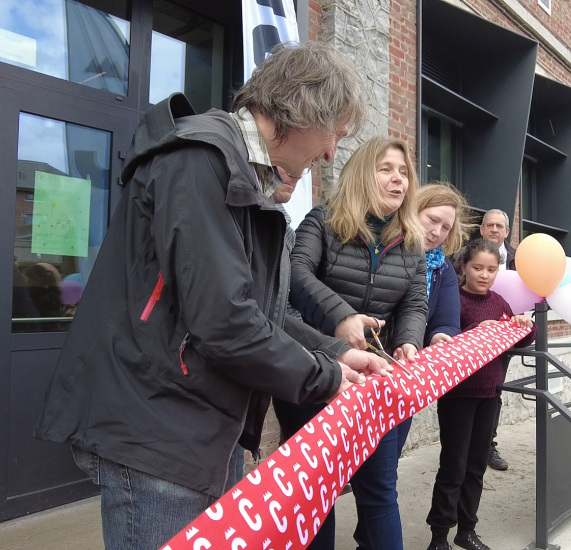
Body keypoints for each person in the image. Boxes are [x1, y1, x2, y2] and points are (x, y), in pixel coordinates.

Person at [35, 42, 390, 550]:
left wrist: (336, 351)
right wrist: (327, 377)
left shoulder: (241, 177)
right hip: (158, 432)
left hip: (199, 426)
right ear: (304, 108)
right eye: (335, 133)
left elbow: (258, 308)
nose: (332, 152)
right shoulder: (201, 161)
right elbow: (226, 320)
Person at [282, 136, 428, 550]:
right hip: (313, 373)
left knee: (379, 491)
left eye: (403, 173)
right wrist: (340, 317)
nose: (397, 180)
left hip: (374, 383)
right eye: (386, 169)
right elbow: (295, 274)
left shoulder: (412, 241)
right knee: (316, 495)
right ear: (364, 173)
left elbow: (416, 304)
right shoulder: (323, 220)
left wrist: (410, 343)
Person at [426, 239, 535, 550]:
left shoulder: (499, 301)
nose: (485, 275)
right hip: (457, 396)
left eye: (491, 269)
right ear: (463, 266)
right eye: (478, 268)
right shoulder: (453, 299)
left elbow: (524, 339)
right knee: (453, 466)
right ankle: (439, 537)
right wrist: (477, 329)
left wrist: (523, 324)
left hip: (490, 394)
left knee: (475, 467)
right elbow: (443, 338)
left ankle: (467, 531)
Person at [394, 182, 473, 454]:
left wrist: (441, 336)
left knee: (386, 469)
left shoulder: (443, 269)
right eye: (432, 220)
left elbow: (447, 321)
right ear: (415, 210)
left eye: (446, 228)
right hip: (362, 363)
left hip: (403, 373)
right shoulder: (387, 248)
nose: (436, 232)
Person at [454, 208, 517, 471]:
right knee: (465, 394)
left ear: (506, 231)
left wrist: (517, 325)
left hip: (506, 330)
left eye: (498, 226)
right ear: (481, 230)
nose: (493, 229)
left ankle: (487, 445)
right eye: (488, 225)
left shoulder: (521, 259)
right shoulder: (463, 255)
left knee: (494, 390)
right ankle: (459, 446)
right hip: (468, 335)